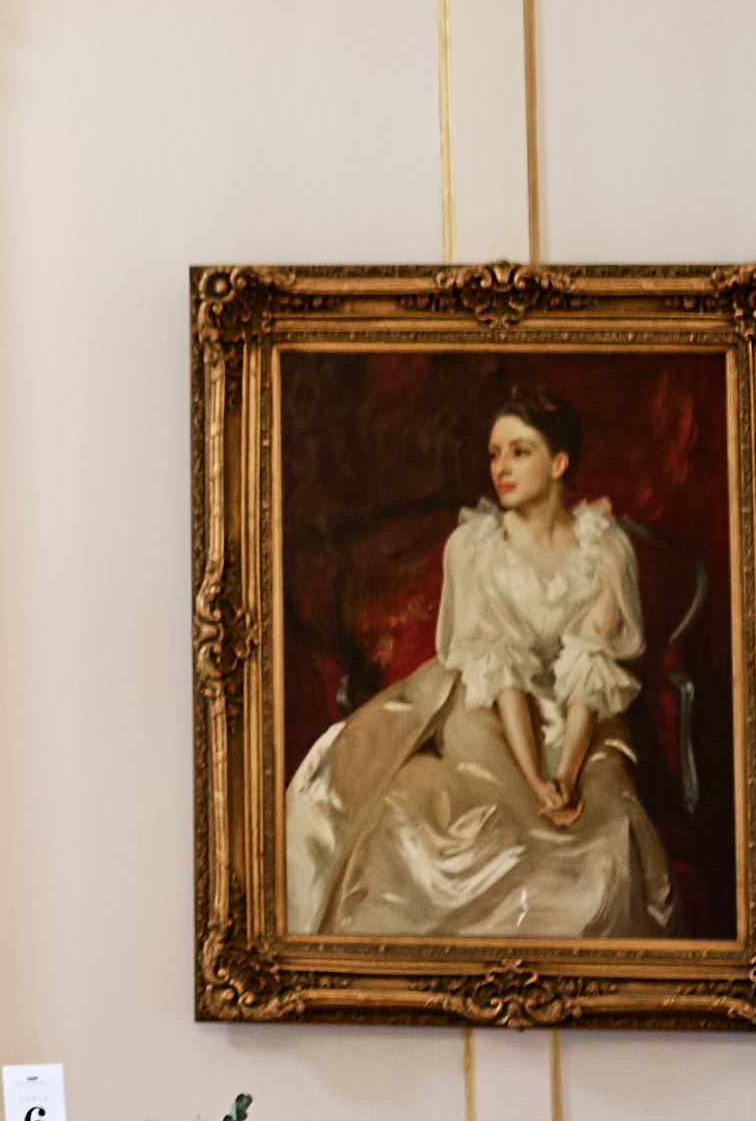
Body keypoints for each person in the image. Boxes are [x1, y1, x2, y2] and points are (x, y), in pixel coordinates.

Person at [280, 392, 676, 939]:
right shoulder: (473, 547)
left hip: (580, 720)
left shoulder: (605, 548)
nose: (501, 468)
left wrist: (564, 774)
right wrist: (536, 780)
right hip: (487, 707)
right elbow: (501, 672)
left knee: (604, 839)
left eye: (520, 452)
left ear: (559, 463)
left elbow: (590, 672)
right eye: (495, 454)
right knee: (441, 820)